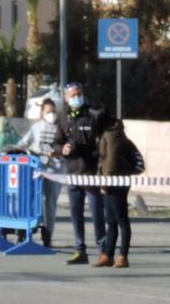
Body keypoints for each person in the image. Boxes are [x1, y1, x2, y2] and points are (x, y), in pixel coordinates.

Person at [54, 82, 106, 265]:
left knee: (97, 213)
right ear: (66, 98)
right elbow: (56, 142)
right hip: (72, 172)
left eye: (79, 94)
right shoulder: (62, 117)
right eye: (72, 95)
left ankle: (103, 250)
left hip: (90, 172)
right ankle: (80, 250)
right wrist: (63, 149)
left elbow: (103, 141)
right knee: (76, 213)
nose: (76, 97)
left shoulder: (92, 114)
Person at [8, 95, 65, 248]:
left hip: (55, 169)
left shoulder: (62, 128)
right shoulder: (36, 127)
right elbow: (23, 143)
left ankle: (48, 236)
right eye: (48, 111)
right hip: (37, 168)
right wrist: (13, 149)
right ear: (41, 113)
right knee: (31, 199)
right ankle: (26, 231)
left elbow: (67, 147)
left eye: (53, 111)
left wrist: (58, 152)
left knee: (49, 203)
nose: (51, 114)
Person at [96, 117, 139, 268]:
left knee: (120, 219)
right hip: (114, 181)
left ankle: (122, 256)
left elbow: (111, 163)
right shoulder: (113, 134)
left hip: (115, 183)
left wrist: (105, 183)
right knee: (112, 220)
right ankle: (108, 255)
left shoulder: (112, 135)